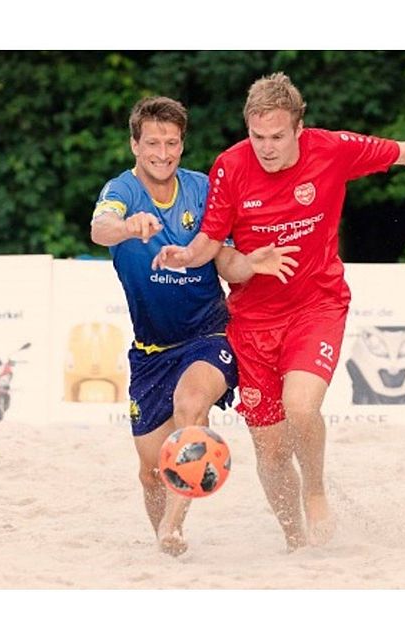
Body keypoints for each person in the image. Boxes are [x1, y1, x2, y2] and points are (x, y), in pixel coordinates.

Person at [153, 72, 405, 550]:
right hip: (252, 321)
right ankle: (297, 541)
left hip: (318, 305)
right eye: (257, 137)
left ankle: (315, 491)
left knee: (301, 406)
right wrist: (185, 255)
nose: (266, 147)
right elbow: (210, 243)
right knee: (270, 453)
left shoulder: (331, 149)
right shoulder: (231, 166)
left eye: (277, 137)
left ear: (299, 128)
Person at [91, 96, 298, 556]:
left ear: (182, 145)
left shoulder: (203, 190)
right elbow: (100, 230)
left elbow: (226, 262)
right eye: (152, 143)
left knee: (191, 407)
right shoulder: (122, 192)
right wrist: (127, 228)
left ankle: (173, 526)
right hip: (150, 352)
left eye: (171, 143)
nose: (162, 153)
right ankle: (166, 543)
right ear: (134, 144)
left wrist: (250, 263)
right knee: (150, 470)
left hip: (209, 335)